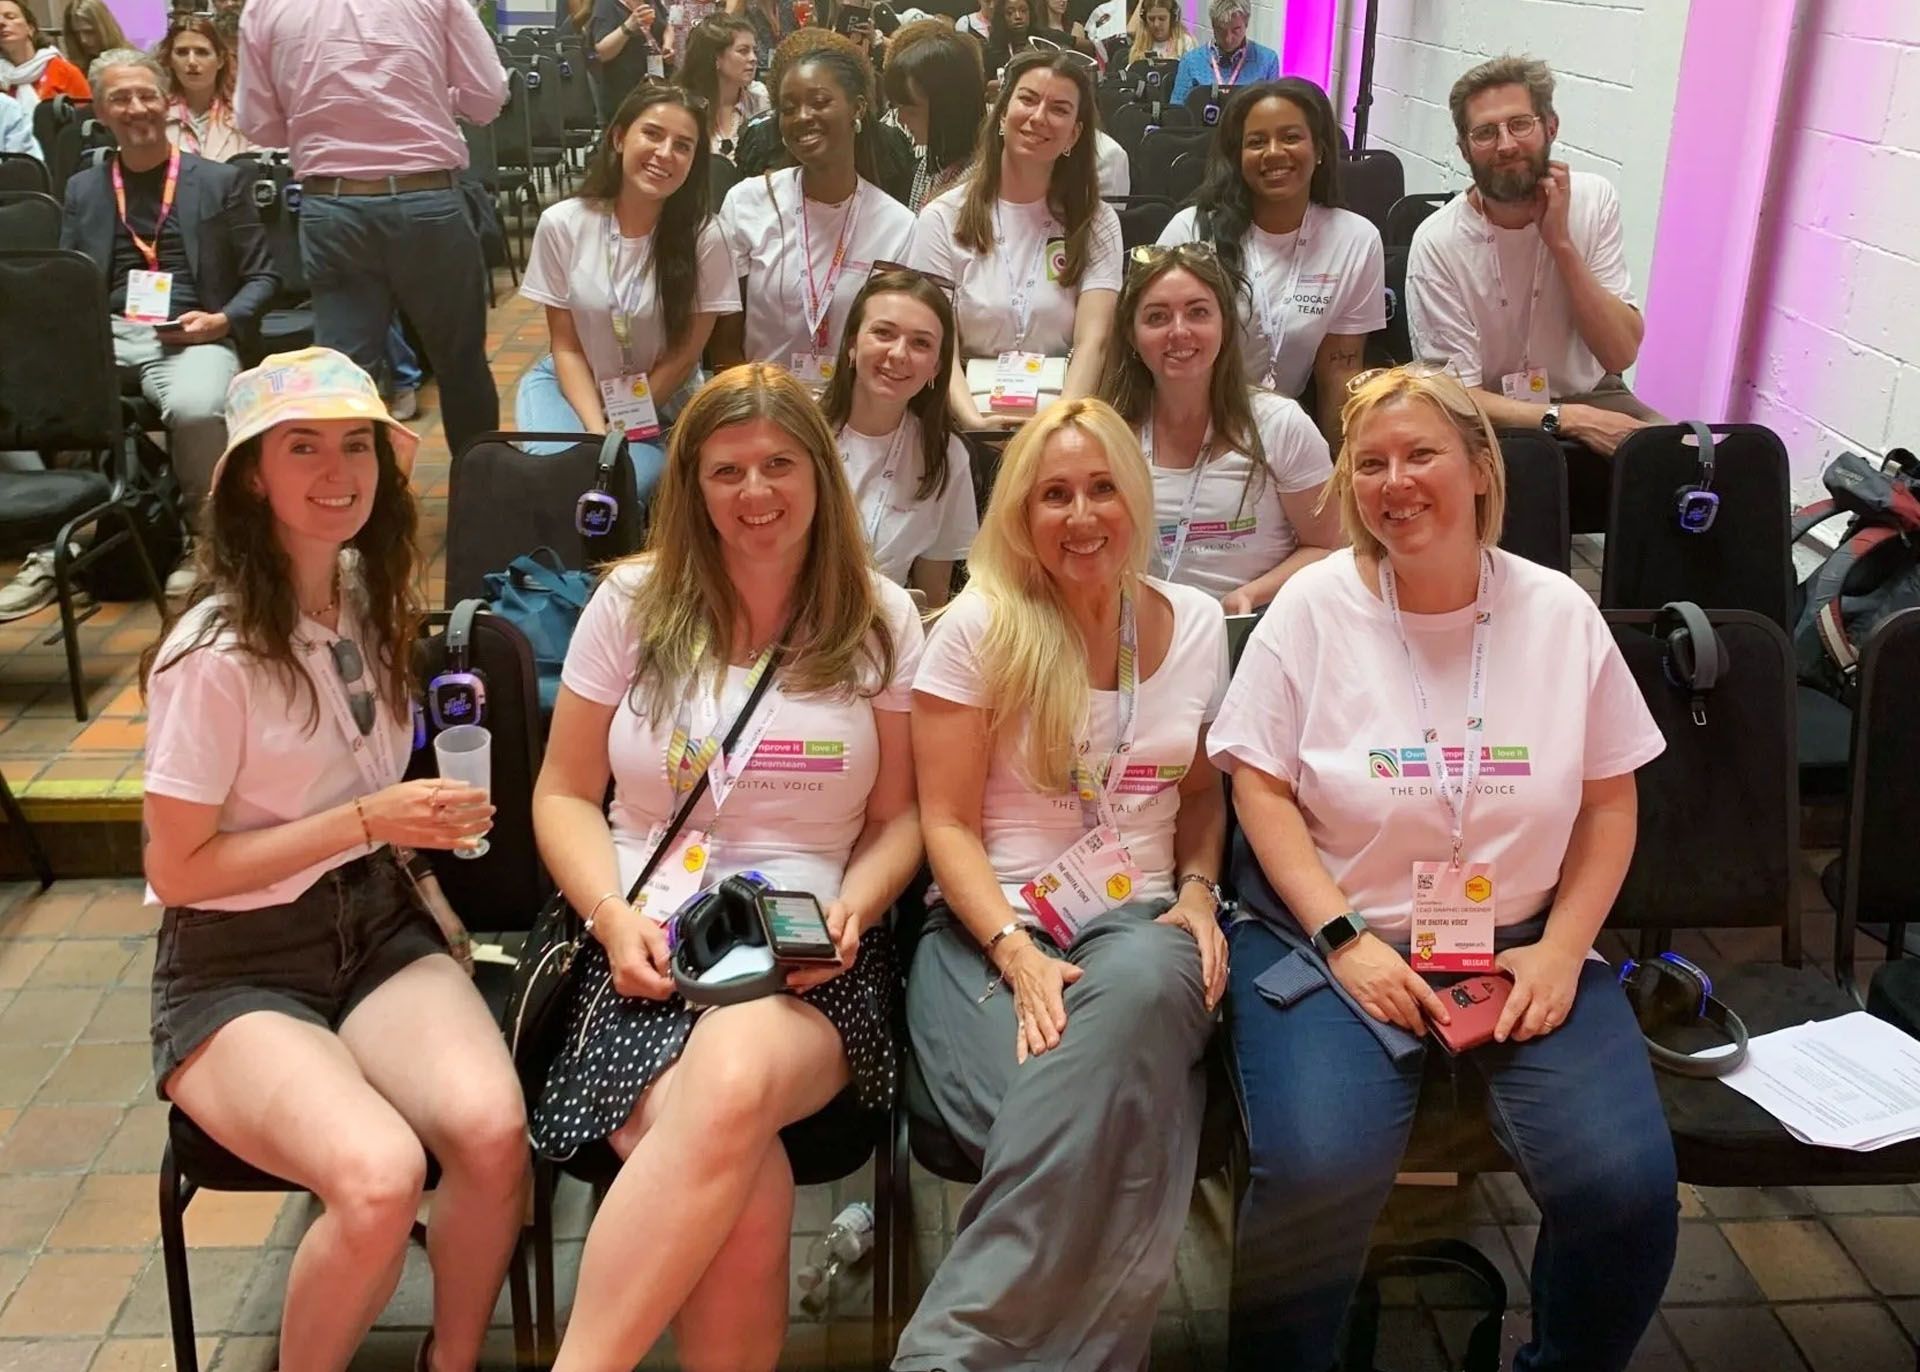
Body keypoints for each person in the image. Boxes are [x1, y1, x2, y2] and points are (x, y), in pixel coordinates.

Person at [1207, 364, 1678, 1371]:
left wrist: (1563, 949)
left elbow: (1609, 800)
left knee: (1625, 1187)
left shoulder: (1557, 613)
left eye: (1420, 454)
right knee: (1320, 1169)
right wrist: (1342, 938)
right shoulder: (1312, 610)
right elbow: (1259, 790)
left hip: (1523, 946)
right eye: (1369, 463)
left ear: (1477, 467)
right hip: (1337, 939)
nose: (1394, 482)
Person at [528, 364, 924, 1369]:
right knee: (748, 1181)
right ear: (692, 487)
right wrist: (612, 918)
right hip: (636, 947)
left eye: (781, 465)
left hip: (810, 966)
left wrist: (861, 907)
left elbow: (900, 818)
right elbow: (564, 792)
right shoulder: (630, 603)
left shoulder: (881, 619)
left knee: (738, 1069)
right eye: (727, 471)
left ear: (821, 476)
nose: (757, 494)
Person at [141, 346, 528, 1372]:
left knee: (493, 1135)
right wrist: (370, 820)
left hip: (373, 925)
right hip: (237, 963)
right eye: (300, 446)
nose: (336, 469)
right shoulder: (209, 658)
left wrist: (412, 828)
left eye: (355, 443)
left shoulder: (359, 589)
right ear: (250, 477)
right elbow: (178, 870)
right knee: (377, 1174)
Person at [895, 397, 1228, 1371]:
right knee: (1113, 1138)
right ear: (1020, 514)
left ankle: (950, 1348)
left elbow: (1203, 793)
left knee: (1147, 980)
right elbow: (946, 823)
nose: (1081, 516)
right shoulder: (978, 627)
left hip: (1146, 934)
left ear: (1135, 498)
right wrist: (1016, 950)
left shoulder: (1199, 623)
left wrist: (1202, 890)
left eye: (1101, 489)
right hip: (984, 933)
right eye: (1053, 495)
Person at [21, 49, 275, 618]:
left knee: (197, 407)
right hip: (105, 333)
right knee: (40, 400)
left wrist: (223, 320)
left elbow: (265, 275)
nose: (136, 108)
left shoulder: (220, 181)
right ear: (102, 114)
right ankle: (55, 545)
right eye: (120, 99)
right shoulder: (84, 188)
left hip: (193, 333)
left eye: (146, 95)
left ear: (168, 102)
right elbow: (64, 277)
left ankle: (208, 539)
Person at [236, 0, 508, 456]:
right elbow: (488, 97)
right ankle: (479, 505)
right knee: (461, 366)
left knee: (344, 376)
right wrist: (439, 101)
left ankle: (352, 514)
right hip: (427, 202)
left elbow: (258, 125)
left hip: (333, 206)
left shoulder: (265, 7)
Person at [1407, 55, 1662, 455]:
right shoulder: (1437, 242)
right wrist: (1568, 419)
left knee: (1679, 456)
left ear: (1551, 127)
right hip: (1489, 412)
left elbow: (1619, 354)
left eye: (1520, 124)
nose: (1506, 145)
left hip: (1591, 393)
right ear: (1464, 149)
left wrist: (1561, 243)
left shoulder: (1594, 200)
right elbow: (1457, 395)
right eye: (1486, 133)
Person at [1100, 242, 1342, 611]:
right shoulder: (1106, 434)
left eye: (1197, 313)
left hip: (1253, 635)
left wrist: (1251, 595)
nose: (1179, 331)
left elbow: (1330, 547)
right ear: (1132, 336)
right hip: (1143, 639)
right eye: (1157, 317)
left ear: (1225, 325)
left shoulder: (1280, 425)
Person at [517, 83, 733, 494]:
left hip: (662, 402)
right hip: (570, 385)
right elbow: (566, 347)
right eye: (652, 134)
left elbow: (686, 353)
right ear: (619, 138)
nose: (665, 153)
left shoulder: (707, 237)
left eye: (683, 146)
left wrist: (622, 426)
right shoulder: (563, 224)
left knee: (623, 483)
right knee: (560, 479)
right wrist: (598, 434)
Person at [1158, 79, 1385, 441]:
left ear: (1321, 149)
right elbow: (1152, 356)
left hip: (1288, 431)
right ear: (1237, 156)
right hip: (1190, 424)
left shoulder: (1355, 240)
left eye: (1291, 137)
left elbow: (1339, 373)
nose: (1274, 152)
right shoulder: (1192, 230)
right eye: (1256, 142)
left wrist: (1340, 474)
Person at [907, 49, 1122, 428]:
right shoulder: (941, 219)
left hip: (1062, 423)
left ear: (1074, 134)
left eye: (1059, 109)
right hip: (961, 424)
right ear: (1002, 113)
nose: (1039, 117)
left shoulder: (1096, 221)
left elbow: (1095, 341)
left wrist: (1057, 423)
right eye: (1028, 99)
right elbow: (938, 341)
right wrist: (972, 422)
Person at [711, 29, 914, 385]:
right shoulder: (746, 203)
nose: (802, 116)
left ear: (859, 108)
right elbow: (724, 341)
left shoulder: (898, 226)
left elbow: (899, 347)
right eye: (788, 108)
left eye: (819, 102)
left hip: (857, 413)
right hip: (764, 410)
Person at [820, 266, 977, 605]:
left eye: (921, 343)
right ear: (851, 344)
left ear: (936, 366)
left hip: (886, 640)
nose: (899, 354)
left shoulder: (947, 457)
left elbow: (932, 599)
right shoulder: (799, 432)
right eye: (884, 333)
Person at [880, 20, 984, 211]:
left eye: (910, 110)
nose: (902, 120)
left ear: (948, 108)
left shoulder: (983, 180)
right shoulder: (931, 163)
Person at [162, 13, 258, 162]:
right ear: (169, 60)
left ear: (220, 60)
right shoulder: (156, 114)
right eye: (182, 52)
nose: (192, 61)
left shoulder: (246, 114)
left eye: (202, 52)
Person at [677, 14, 768, 157]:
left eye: (754, 51)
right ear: (715, 58)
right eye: (743, 51)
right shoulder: (684, 106)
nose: (753, 59)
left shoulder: (761, 100)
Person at [1168, 0, 1276, 107]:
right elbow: (1176, 113)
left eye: (1236, 30)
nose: (1228, 39)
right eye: (1221, 30)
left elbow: (1273, 111)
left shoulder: (1267, 61)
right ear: (1213, 26)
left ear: (1246, 24)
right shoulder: (1191, 61)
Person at [0, 0, 89, 110]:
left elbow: (86, 117)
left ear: (30, 28)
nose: (1, 22)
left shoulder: (65, 71)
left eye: (10, 17)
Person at [592, 0, 666, 111]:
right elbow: (601, 53)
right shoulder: (606, 4)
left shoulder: (653, 2)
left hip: (654, 89)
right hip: (622, 95)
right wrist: (629, 25)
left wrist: (668, 44)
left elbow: (666, 25)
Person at [982, 0, 1066, 78]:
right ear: (1002, 17)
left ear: (1031, 14)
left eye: (1023, 11)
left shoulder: (1044, 43)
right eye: (1010, 13)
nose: (1018, 16)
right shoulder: (991, 51)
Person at [59, 0, 128, 75]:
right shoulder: (72, 69)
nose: (83, 40)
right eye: (76, 33)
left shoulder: (130, 64)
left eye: (89, 32)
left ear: (104, 29)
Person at [1126, 0, 1194, 62]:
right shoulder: (1140, 45)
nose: (1156, 24)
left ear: (1173, 18)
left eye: (1162, 19)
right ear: (1144, 19)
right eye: (1151, 19)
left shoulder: (1185, 43)